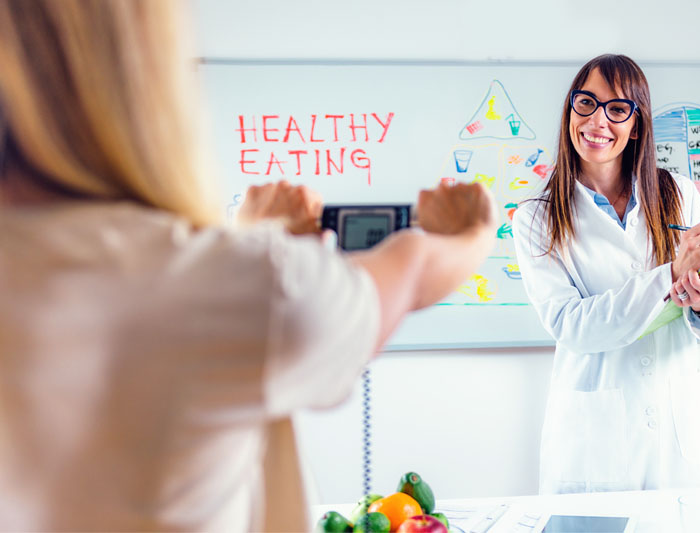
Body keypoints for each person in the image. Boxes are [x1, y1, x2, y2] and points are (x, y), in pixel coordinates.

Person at [0, 1, 497, 531]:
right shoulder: (248, 282)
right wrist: (474, 230)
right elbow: (416, 266)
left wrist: (252, 240)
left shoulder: (231, 275)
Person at [512, 54, 700, 495]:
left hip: (676, 440)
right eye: (587, 103)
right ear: (570, 110)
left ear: (636, 124)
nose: (598, 120)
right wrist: (670, 275)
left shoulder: (679, 193)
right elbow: (571, 325)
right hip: (595, 447)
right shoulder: (536, 219)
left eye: (617, 109)